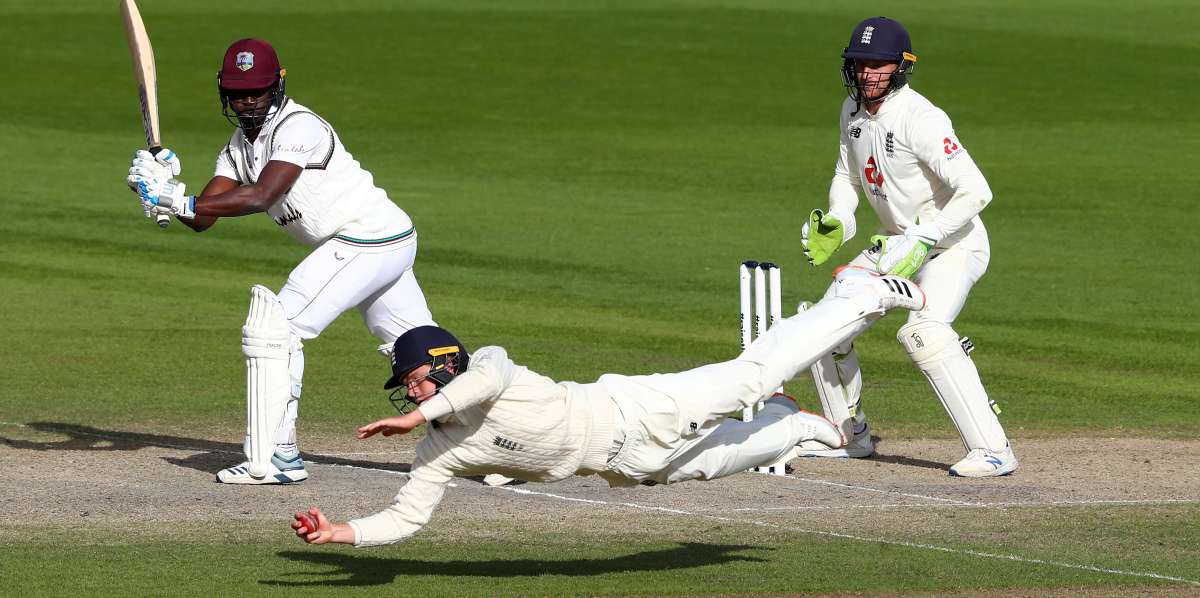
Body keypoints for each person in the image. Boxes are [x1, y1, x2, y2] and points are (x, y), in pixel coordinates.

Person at [288, 268, 926, 546]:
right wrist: (344, 531)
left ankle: (855, 295)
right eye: (408, 390)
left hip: (634, 408)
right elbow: (406, 518)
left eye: (418, 381)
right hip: (623, 464)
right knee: (715, 463)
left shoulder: (490, 365)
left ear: (446, 364)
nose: (413, 393)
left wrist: (415, 416)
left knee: (750, 375)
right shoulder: (438, 449)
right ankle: (796, 428)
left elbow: (480, 384)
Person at [125, 39, 436, 484]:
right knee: (420, 351)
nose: (247, 100)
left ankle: (277, 456)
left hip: (366, 237)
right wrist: (162, 193)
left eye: (258, 90)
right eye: (237, 91)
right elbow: (203, 218)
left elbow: (261, 195)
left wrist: (178, 197)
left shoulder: (298, 128)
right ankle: (498, 441)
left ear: (278, 84)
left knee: (278, 328)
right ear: (223, 92)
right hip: (377, 241)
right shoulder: (238, 146)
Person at [796, 17, 1017, 477]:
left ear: (901, 67)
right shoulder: (851, 113)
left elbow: (977, 191)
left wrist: (926, 233)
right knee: (820, 327)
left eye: (878, 65)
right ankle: (848, 435)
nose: (867, 74)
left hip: (953, 245)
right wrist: (840, 216)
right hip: (894, 244)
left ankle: (993, 450)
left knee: (924, 332)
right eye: (860, 64)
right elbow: (847, 176)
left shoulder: (922, 118)